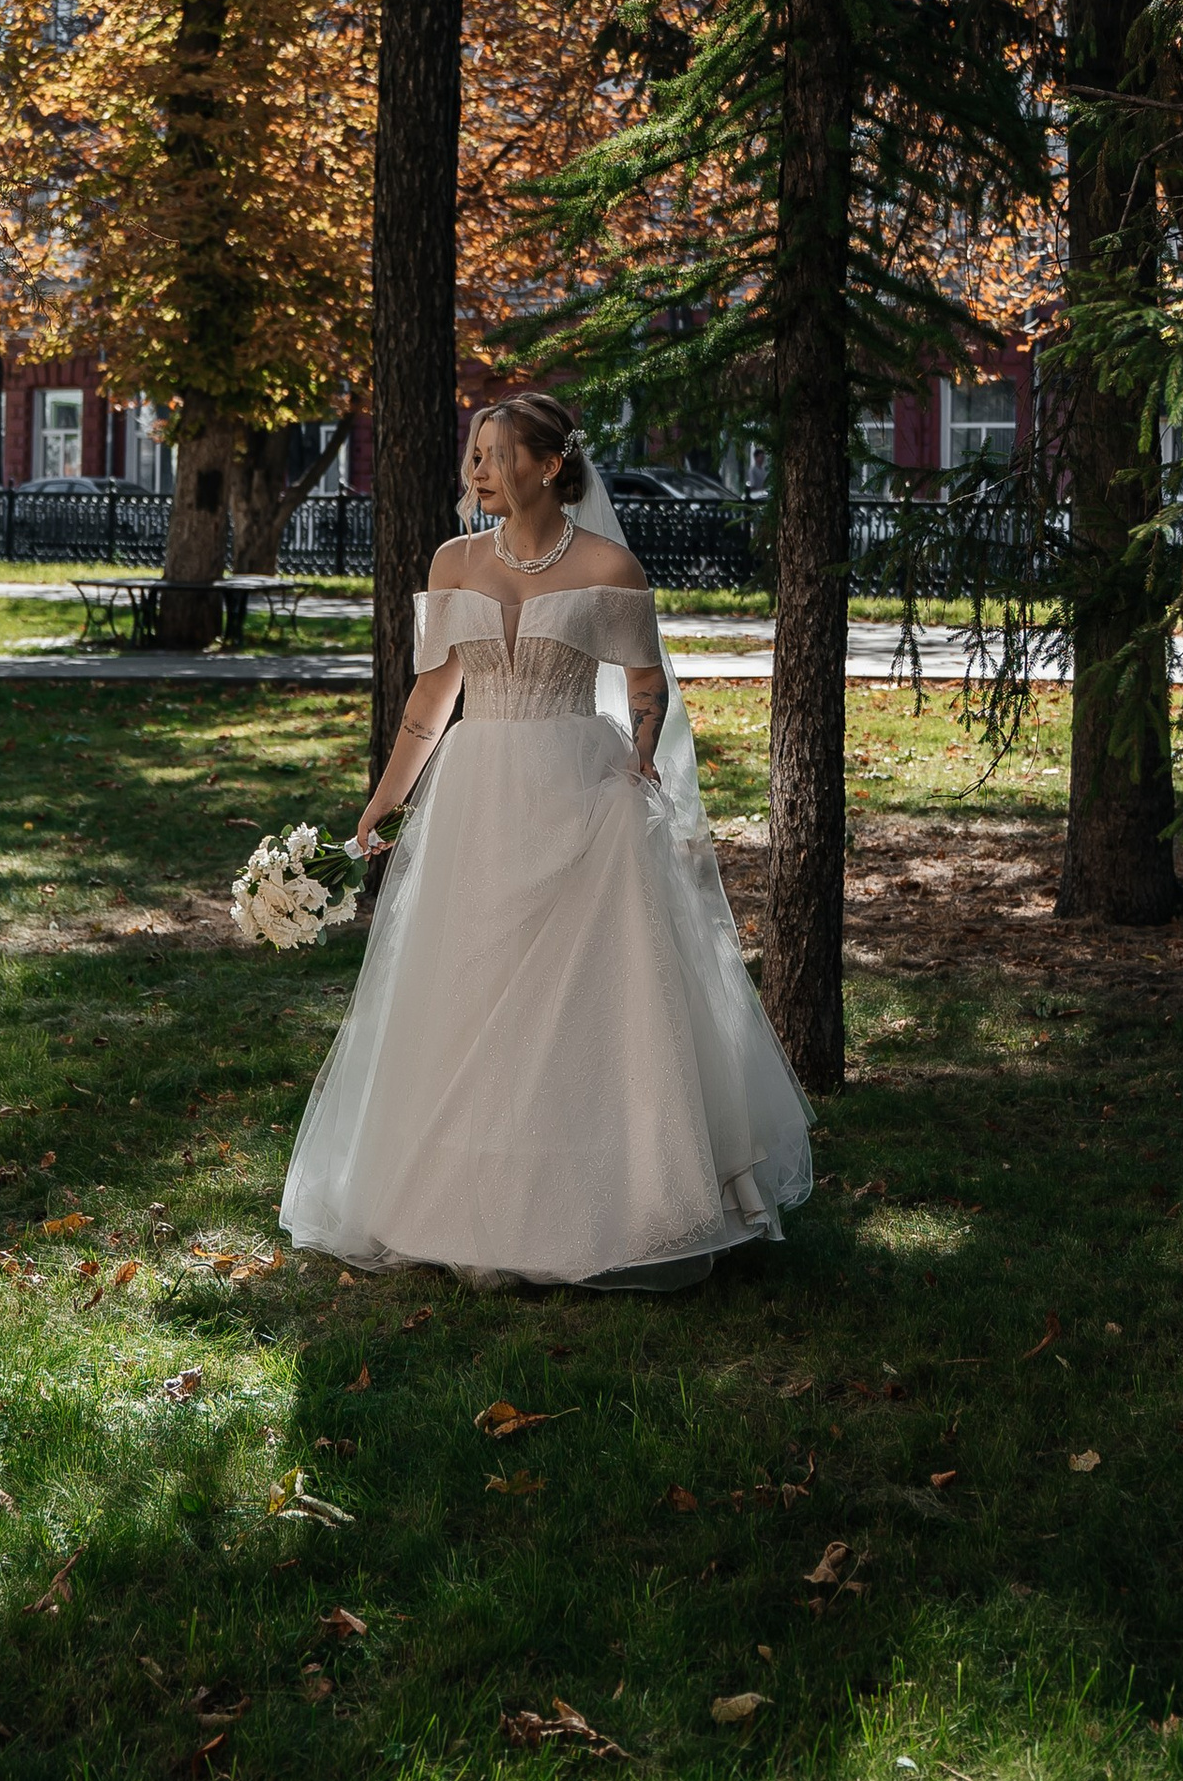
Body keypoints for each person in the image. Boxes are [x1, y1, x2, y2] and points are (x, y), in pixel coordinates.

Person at [279, 391, 815, 1292]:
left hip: (580, 795)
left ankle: (617, 1199)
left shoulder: (610, 564)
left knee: (584, 1005)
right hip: (478, 797)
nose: (476, 469)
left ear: (550, 463)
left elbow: (646, 682)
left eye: (494, 453)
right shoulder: (454, 562)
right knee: (471, 987)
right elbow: (429, 701)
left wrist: (642, 762)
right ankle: (461, 1203)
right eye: (474, 454)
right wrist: (382, 803)